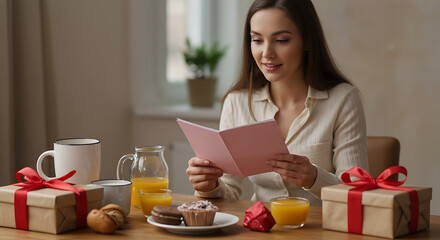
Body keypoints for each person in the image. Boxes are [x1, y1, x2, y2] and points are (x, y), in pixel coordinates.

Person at [185, 0, 368, 206]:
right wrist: (209, 185)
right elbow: (229, 191)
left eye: (281, 40)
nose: (267, 53)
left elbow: (356, 191)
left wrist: (314, 178)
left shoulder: (343, 100)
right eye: (257, 40)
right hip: (262, 230)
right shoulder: (237, 102)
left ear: (307, 40)